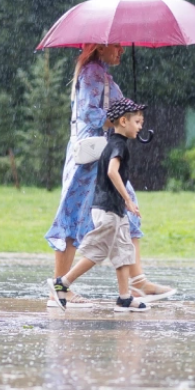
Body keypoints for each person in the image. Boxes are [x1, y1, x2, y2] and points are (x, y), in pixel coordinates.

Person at [44, 43, 176, 308]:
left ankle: (136, 280)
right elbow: (90, 114)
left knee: (123, 214)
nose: (121, 51)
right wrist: (120, 119)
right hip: (90, 160)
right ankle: (60, 287)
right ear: (99, 46)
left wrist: (133, 116)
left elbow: (114, 112)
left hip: (103, 156)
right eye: (116, 46)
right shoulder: (91, 73)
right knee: (76, 215)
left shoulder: (102, 75)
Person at [48, 98, 150, 312]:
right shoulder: (117, 145)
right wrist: (128, 199)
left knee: (123, 250)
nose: (141, 127)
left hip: (115, 208)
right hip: (107, 209)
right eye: (138, 122)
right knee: (98, 250)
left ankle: (124, 297)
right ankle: (62, 283)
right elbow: (112, 172)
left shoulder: (115, 142)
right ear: (123, 121)